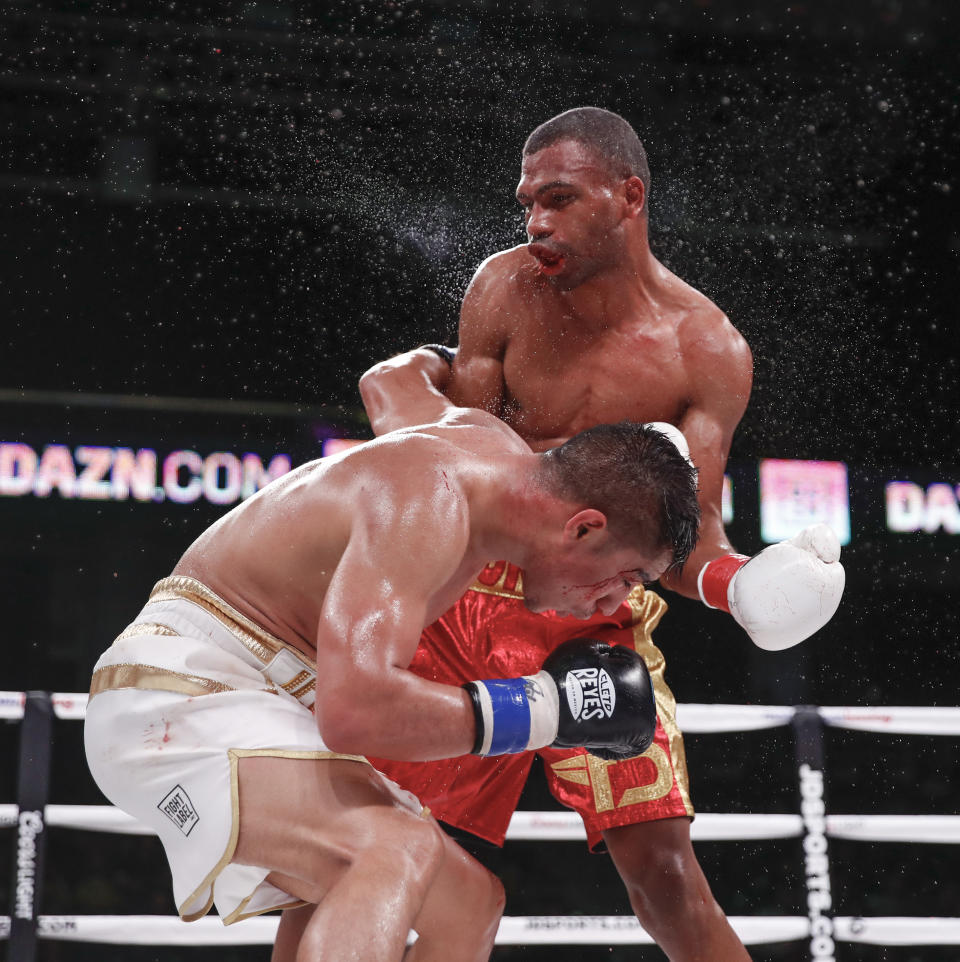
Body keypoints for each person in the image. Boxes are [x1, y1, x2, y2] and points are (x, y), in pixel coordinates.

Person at [360, 107, 845, 961]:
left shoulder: (707, 352)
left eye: (557, 198)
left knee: (665, 877)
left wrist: (742, 589)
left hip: (592, 617)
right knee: (381, 859)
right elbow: (455, 465)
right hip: (462, 597)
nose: (535, 222)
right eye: (525, 204)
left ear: (628, 196)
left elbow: (687, 539)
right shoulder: (503, 288)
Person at [83, 391, 701, 962]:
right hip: (183, 692)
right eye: (626, 578)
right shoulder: (429, 501)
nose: (610, 605)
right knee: (388, 848)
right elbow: (353, 713)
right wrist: (545, 711)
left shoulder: (488, 450)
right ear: (584, 527)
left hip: (258, 700)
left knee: (466, 905)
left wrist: (438, 357)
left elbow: (399, 377)